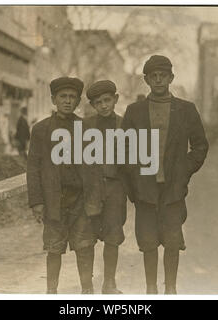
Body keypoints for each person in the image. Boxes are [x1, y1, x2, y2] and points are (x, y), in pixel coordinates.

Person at [121, 55, 209, 294]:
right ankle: (151, 289)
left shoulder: (186, 110)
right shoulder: (135, 111)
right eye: (153, 76)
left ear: (171, 78)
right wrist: (135, 177)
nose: (158, 80)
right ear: (146, 80)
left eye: (163, 75)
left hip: (173, 189)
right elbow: (123, 148)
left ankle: (170, 289)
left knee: (172, 241)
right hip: (145, 188)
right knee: (148, 241)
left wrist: (185, 170)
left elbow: (200, 146)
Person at [27, 77, 97, 294]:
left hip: (80, 201)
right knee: (54, 249)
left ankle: (87, 291)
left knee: (85, 246)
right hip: (53, 201)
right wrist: (37, 202)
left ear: (77, 102)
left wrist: (94, 200)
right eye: (63, 97)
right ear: (53, 99)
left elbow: (94, 169)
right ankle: (52, 292)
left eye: (72, 97)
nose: (67, 101)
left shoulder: (86, 128)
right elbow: (33, 168)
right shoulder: (41, 130)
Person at [83, 80, 127, 294]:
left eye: (107, 100)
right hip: (90, 189)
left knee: (113, 236)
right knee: (87, 236)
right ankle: (87, 286)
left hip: (115, 189)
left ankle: (109, 283)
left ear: (115, 99)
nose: (103, 105)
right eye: (98, 102)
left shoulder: (125, 125)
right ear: (93, 105)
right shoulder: (85, 126)